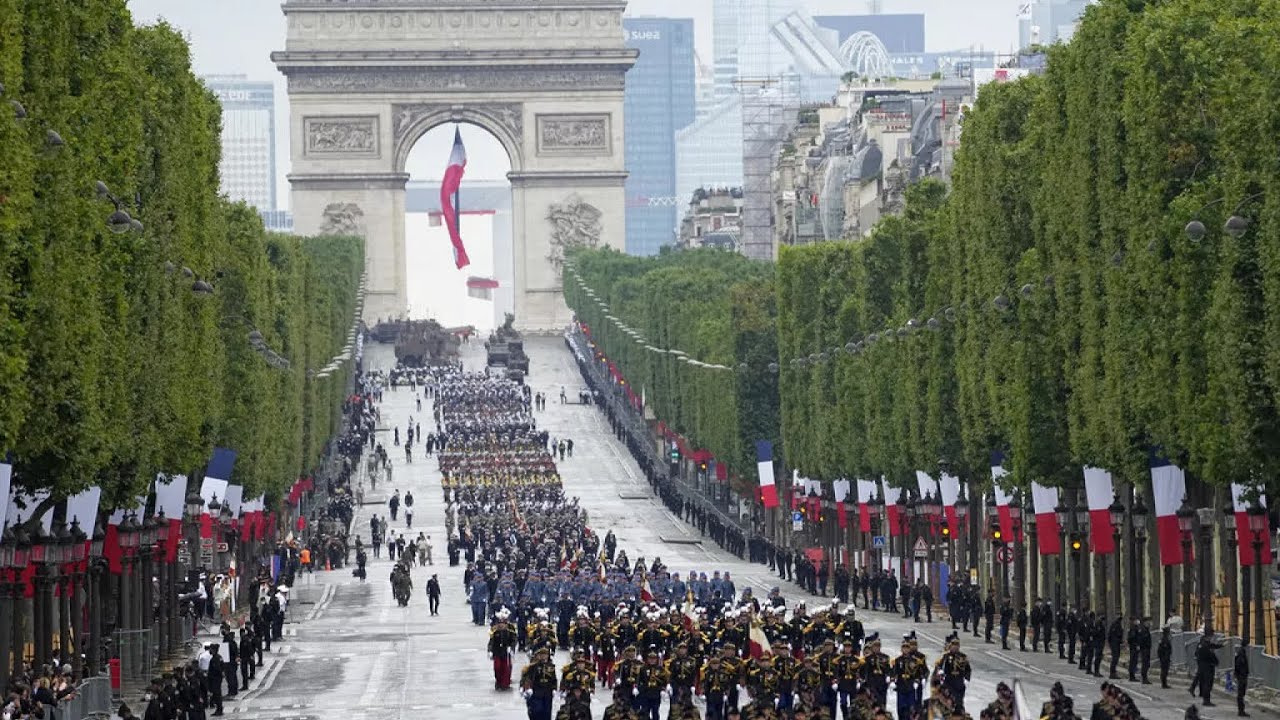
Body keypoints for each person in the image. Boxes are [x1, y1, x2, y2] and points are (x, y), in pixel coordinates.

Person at [520, 646, 559, 720]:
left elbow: (554, 679)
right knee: (537, 711)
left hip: (548, 692)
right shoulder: (533, 667)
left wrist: (554, 688)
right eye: (542, 655)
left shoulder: (551, 666)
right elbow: (528, 678)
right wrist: (527, 688)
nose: (544, 657)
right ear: (538, 656)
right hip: (537, 692)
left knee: (547, 712)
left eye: (546, 655)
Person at [1235, 643, 1249, 717]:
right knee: (1241, 694)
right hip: (1242, 677)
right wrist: (1241, 675)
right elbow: (1239, 666)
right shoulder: (1241, 655)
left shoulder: (1240, 653)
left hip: (1241, 676)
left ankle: (1241, 710)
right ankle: (1241, 711)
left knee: (1241, 694)